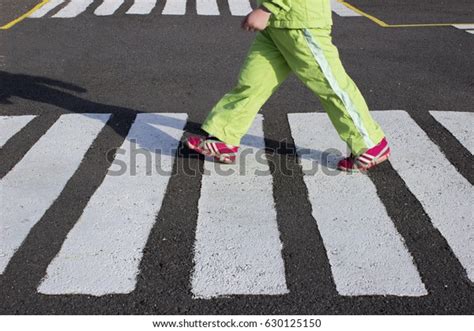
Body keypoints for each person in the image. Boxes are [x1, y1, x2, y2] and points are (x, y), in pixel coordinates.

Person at [186, 0, 390, 172]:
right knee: (252, 83)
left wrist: (268, 8)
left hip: (300, 21)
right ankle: (225, 138)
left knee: (330, 85)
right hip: (276, 25)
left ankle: (371, 143)